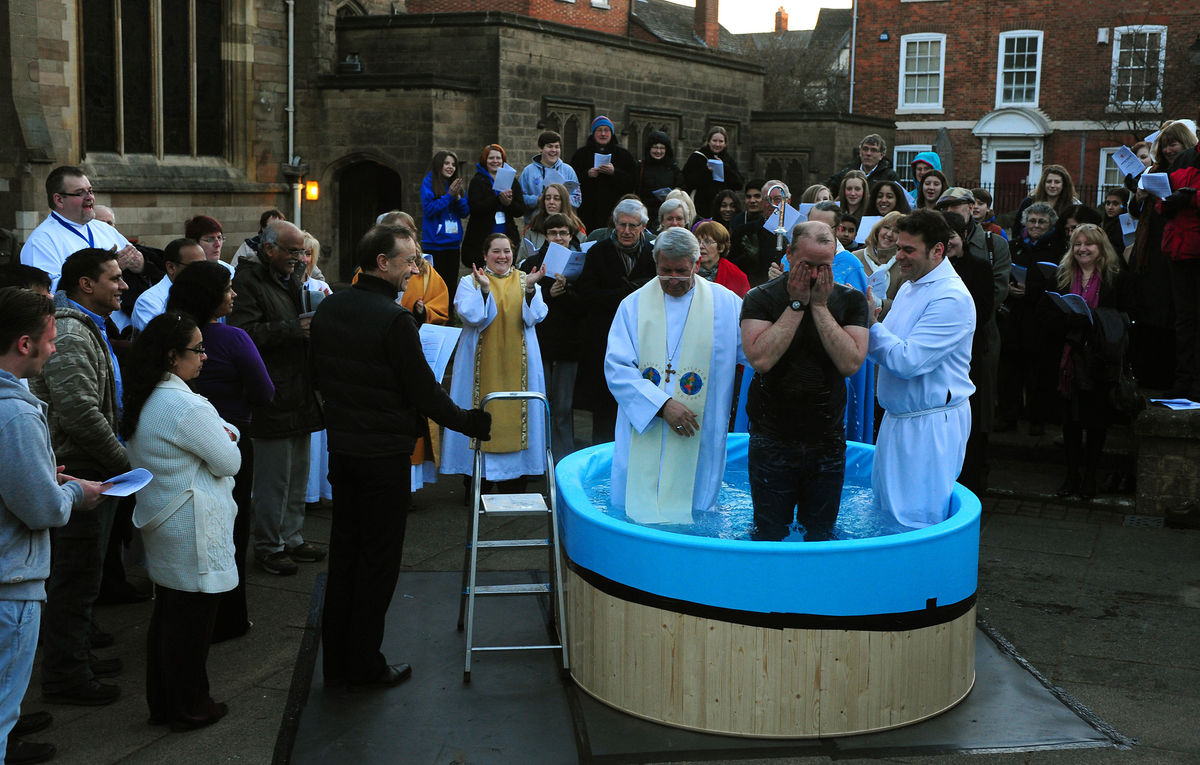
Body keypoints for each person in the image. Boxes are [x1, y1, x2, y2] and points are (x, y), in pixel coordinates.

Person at [311, 224, 490, 691]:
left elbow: (320, 374)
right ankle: (365, 664)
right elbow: (425, 392)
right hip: (383, 454)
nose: (416, 268)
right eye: (409, 260)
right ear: (382, 263)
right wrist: (470, 422)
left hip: (345, 449)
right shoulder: (394, 320)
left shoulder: (331, 306)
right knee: (377, 563)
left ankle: (337, 665)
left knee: (345, 556)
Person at [0, 287, 108, 763]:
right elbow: (43, 510)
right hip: (11, 583)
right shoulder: (16, 413)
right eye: (50, 338)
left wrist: (44, 476)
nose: (56, 347)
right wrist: (71, 492)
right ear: (25, 345)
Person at [123, 312, 239, 731]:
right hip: (190, 523)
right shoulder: (185, 404)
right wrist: (228, 437)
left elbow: (223, 439)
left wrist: (226, 434)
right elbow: (228, 459)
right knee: (190, 626)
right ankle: (191, 708)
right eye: (198, 349)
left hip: (166, 518)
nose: (205, 356)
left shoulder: (151, 395)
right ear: (173, 356)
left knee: (169, 620)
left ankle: (166, 705)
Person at [26, 248, 129, 707]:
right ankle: (67, 675)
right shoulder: (68, 331)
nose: (123, 285)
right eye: (114, 278)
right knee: (74, 578)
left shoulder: (82, 326)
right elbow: (79, 412)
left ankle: (77, 654)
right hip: (80, 466)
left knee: (84, 576)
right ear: (86, 285)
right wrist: (124, 465)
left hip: (87, 464)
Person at [605, 228, 746, 523]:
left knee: (696, 513)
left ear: (696, 264)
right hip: (646, 426)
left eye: (681, 272)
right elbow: (617, 368)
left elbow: (754, 351)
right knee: (636, 512)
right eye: (665, 270)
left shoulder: (726, 305)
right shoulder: (633, 305)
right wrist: (661, 405)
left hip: (699, 429)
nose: (672, 280)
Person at [740, 221, 869, 541]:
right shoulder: (760, 298)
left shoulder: (850, 301)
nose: (813, 275)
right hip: (771, 439)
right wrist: (796, 305)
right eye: (806, 266)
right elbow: (761, 359)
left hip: (826, 440)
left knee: (822, 535)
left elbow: (851, 362)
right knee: (768, 533)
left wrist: (821, 307)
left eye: (823, 267)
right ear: (788, 255)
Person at [167, 261, 273, 643]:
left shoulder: (164, 332)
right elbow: (264, 392)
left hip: (174, 438)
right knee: (231, 526)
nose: (234, 294)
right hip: (228, 438)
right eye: (227, 288)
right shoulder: (233, 339)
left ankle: (186, 609)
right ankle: (229, 616)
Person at [867, 210, 975, 528]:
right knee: (885, 515)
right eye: (899, 247)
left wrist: (870, 325)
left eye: (908, 250)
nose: (898, 256)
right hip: (899, 420)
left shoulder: (951, 297)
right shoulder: (911, 285)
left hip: (929, 425)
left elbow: (907, 361)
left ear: (938, 250)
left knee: (914, 520)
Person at [229, 221, 324, 576]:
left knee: (297, 473)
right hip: (271, 392)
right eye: (292, 251)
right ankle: (269, 546)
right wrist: (293, 329)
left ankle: (293, 537)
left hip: (299, 388)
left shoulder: (292, 277)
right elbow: (242, 334)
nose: (299, 258)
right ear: (269, 249)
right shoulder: (247, 281)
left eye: (302, 251)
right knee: (273, 479)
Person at [440, 234, 548, 489]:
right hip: (480, 365)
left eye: (507, 251)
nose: (502, 256)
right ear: (485, 254)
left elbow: (536, 316)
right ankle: (477, 481)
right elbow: (471, 316)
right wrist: (486, 290)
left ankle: (516, 478)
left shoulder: (525, 281)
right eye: (496, 251)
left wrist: (531, 289)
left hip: (520, 365)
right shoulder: (470, 282)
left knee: (521, 412)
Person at [1053, 225, 1130, 497]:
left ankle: (1089, 478)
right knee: (1070, 423)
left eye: (1089, 244)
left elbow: (1122, 317)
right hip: (1070, 360)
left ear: (1101, 248)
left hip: (1099, 360)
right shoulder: (1063, 276)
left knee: (1096, 423)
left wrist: (1094, 319)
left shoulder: (1114, 277)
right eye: (1077, 244)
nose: (1082, 249)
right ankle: (1071, 475)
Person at [576, 199, 657, 444]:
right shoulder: (598, 251)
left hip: (643, 339)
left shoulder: (654, 254)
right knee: (604, 411)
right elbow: (586, 293)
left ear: (643, 226)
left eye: (633, 226)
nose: (626, 231)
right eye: (622, 225)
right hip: (604, 337)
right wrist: (625, 293)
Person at [518, 213, 587, 463]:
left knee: (563, 408)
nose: (558, 237)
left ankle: (563, 459)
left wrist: (566, 292)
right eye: (553, 233)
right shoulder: (533, 263)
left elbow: (586, 305)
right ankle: (539, 457)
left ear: (571, 235)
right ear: (545, 235)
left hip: (570, 343)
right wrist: (549, 293)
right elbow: (525, 303)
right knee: (541, 403)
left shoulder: (581, 262)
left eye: (563, 233)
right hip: (542, 342)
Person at [20, 166, 140, 296]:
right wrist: (110, 270)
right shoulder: (41, 241)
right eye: (80, 193)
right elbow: (49, 294)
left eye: (90, 191)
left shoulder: (104, 228)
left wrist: (140, 264)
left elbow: (137, 260)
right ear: (59, 200)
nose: (90, 198)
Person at [941, 212, 995, 495]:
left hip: (969, 353)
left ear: (962, 236)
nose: (948, 242)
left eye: (952, 236)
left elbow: (984, 310)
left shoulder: (978, 267)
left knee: (969, 416)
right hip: (939, 355)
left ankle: (971, 483)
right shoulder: (931, 269)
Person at [462, 144, 527, 269]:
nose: (495, 161)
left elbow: (520, 209)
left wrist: (508, 204)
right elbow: (475, 207)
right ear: (485, 160)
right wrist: (498, 200)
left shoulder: (512, 180)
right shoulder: (478, 180)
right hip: (482, 234)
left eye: (498, 158)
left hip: (506, 232)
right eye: (491, 158)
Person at [420, 151, 470, 309]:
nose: (451, 167)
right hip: (434, 245)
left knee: (450, 287)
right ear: (438, 164)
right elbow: (429, 209)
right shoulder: (428, 182)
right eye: (447, 163)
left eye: (454, 164)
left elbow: (464, 212)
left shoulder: (455, 184)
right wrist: (448, 196)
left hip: (452, 245)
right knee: (434, 288)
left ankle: (448, 319)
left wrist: (457, 198)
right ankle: (432, 319)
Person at [570, 116, 637, 231]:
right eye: (599, 130)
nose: (603, 134)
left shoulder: (624, 156)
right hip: (588, 212)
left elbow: (632, 183)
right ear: (593, 133)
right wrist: (587, 174)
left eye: (606, 130)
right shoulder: (580, 155)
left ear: (611, 133)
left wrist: (615, 173)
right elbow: (571, 183)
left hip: (615, 211)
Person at [131, 238, 207, 332]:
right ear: (171, 267)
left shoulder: (204, 293)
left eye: (205, 265)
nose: (203, 271)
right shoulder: (148, 303)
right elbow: (155, 342)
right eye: (196, 266)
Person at [683, 127, 744, 219]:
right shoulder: (697, 157)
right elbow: (688, 181)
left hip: (723, 208)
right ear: (708, 141)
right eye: (714, 141)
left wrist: (724, 168)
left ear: (725, 143)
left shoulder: (728, 160)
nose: (717, 144)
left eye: (721, 141)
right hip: (701, 206)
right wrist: (706, 171)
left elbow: (739, 184)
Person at [852, 211, 905, 316]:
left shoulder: (904, 263)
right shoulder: (855, 256)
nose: (889, 234)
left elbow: (903, 305)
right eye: (886, 227)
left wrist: (879, 303)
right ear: (877, 229)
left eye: (896, 231)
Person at [518, 183, 585, 263]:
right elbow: (520, 261)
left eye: (556, 199)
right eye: (547, 198)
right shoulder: (532, 228)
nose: (551, 202)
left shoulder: (577, 229)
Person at [518, 130, 582, 213]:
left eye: (557, 147)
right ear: (540, 148)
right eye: (550, 146)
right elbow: (519, 198)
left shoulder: (568, 170)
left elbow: (577, 199)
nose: (554, 150)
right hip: (535, 222)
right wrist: (538, 200)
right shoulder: (528, 171)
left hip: (562, 222)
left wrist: (560, 199)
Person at [1012, 165, 1079, 239]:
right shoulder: (1029, 202)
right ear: (1043, 183)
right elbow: (1017, 229)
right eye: (1049, 181)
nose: (1052, 185)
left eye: (1057, 182)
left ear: (1064, 185)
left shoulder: (1072, 206)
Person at [635, 130, 684, 224]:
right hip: (645, 214)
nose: (658, 151)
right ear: (649, 148)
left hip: (668, 214)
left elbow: (681, 189)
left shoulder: (673, 169)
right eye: (655, 147)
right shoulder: (640, 167)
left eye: (662, 148)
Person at [825, 133, 899, 191]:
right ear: (860, 152)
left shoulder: (889, 177)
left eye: (873, 150)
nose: (868, 153)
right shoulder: (848, 172)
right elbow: (827, 188)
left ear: (881, 155)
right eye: (865, 149)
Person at [694, 220, 749, 298]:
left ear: (721, 247)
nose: (701, 246)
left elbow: (743, 307)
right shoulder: (687, 270)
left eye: (707, 241)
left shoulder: (736, 276)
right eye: (698, 241)